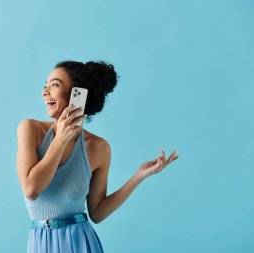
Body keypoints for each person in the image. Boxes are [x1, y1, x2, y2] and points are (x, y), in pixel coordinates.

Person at [16, 60, 179, 253]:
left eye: (55, 85)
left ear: (78, 94)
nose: (45, 92)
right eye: (45, 86)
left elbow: (98, 212)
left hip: (80, 243)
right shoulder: (30, 129)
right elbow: (31, 188)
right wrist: (60, 140)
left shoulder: (98, 148)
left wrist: (138, 176)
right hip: (40, 242)